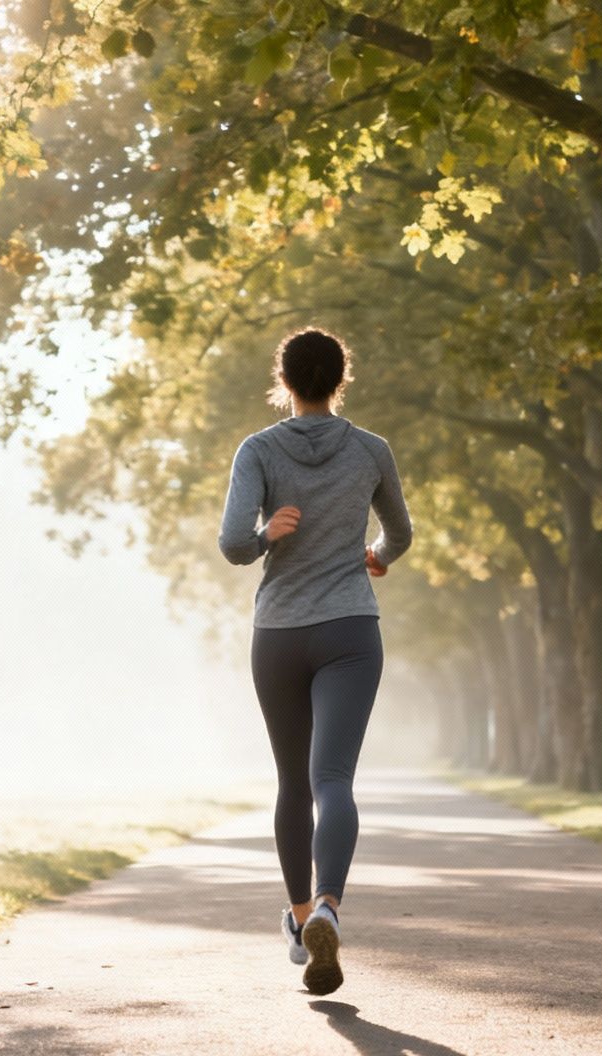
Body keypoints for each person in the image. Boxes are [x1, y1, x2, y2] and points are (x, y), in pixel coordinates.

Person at [217, 327, 412, 996]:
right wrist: (376, 558)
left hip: (279, 633)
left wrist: (266, 534)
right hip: (351, 630)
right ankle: (330, 904)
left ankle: (301, 922)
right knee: (333, 779)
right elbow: (401, 532)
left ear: (285, 379)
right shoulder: (371, 450)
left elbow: (233, 545)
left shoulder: (260, 450)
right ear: (339, 379)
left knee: (292, 783)